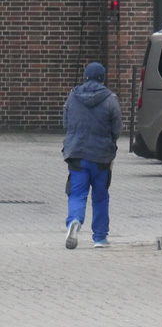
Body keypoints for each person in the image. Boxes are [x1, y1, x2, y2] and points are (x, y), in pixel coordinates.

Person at [62, 62, 123, 249]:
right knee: (100, 196)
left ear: (85, 77)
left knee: (77, 193)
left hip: (77, 154)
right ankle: (99, 238)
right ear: (103, 79)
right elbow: (117, 129)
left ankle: (74, 222)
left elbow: (66, 123)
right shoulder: (111, 99)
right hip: (102, 157)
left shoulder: (73, 97)